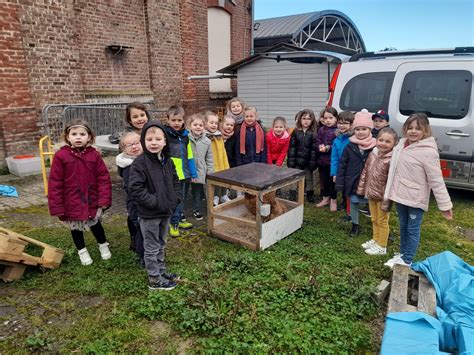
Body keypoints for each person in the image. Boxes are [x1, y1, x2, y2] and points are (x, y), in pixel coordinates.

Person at [383, 113, 453, 267]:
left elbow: (436, 180)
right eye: (410, 128)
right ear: (405, 129)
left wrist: (445, 205)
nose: (413, 131)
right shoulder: (401, 145)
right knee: (403, 225)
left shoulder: (428, 151)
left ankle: (407, 260)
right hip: (400, 195)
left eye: (418, 129)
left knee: (412, 229)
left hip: (415, 198)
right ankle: (402, 254)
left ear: (425, 131)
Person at [48, 119, 112, 266]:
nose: (78, 137)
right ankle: (82, 251)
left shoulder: (94, 155)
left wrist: (104, 200)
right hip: (72, 201)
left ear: (89, 137)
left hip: (91, 199)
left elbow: (103, 178)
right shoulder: (61, 156)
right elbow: (55, 183)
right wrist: (57, 207)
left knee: (95, 224)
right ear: (67, 137)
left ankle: (103, 245)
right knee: (76, 228)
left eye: (82, 134)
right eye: (74, 134)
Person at [128, 121, 181, 291]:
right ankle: (154, 279)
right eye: (149, 139)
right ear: (143, 141)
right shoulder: (139, 163)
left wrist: (175, 199)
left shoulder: (167, 161)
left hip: (166, 211)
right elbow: (135, 189)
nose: (154, 142)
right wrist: (155, 202)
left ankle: (161, 270)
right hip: (150, 214)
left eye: (158, 138)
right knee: (151, 246)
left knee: (161, 242)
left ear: (165, 141)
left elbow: (175, 181)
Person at [357, 127, 398, 255]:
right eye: (381, 140)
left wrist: (388, 196)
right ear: (376, 140)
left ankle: (382, 245)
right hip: (371, 193)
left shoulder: (392, 158)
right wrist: (362, 188)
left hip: (383, 196)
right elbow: (365, 171)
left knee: (382, 220)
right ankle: (375, 239)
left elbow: (393, 179)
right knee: (374, 218)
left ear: (394, 144)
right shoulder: (373, 153)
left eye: (387, 141)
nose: (383, 144)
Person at [335, 109, 376, 236]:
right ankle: (355, 224)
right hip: (353, 181)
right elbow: (342, 165)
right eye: (358, 129)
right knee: (353, 202)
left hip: (370, 182)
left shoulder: (376, 146)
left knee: (372, 205)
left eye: (364, 129)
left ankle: (378, 226)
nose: (361, 132)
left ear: (370, 130)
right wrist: (340, 183)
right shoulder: (350, 146)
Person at [164, 105, 197, 237]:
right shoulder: (165, 135)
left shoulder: (185, 136)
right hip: (173, 175)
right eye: (173, 120)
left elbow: (190, 156)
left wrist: (193, 173)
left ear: (183, 120)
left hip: (185, 173)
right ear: (168, 120)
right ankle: (173, 223)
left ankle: (181, 218)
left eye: (179, 120)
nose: (176, 123)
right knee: (175, 199)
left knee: (182, 198)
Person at [116, 132, 144, 264]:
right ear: (123, 149)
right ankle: (142, 256)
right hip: (137, 206)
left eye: (137, 143)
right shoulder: (129, 166)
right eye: (129, 145)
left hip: (145, 203)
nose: (134, 146)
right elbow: (133, 190)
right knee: (141, 231)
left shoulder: (143, 160)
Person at [287, 109, 318, 202]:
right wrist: (291, 161)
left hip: (308, 161)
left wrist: (312, 163)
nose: (306, 120)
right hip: (296, 160)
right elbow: (292, 148)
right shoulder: (296, 132)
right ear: (300, 119)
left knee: (308, 178)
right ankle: (292, 193)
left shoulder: (314, 133)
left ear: (312, 120)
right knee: (294, 177)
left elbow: (314, 150)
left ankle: (310, 194)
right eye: (304, 118)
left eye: (309, 119)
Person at [188, 113, 214, 220]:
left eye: (200, 125)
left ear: (204, 127)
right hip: (187, 169)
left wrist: (210, 171)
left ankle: (196, 209)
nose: (198, 127)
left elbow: (210, 157)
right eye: (195, 125)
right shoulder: (186, 139)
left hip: (200, 170)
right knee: (184, 192)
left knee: (197, 191)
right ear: (190, 126)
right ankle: (180, 212)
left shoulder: (207, 141)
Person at [330, 111, 354, 219]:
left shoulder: (353, 139)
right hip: (340, 168)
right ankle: (344, 202)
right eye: (340, 123)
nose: (342, 126)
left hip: (350, 168)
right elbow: (334, 157)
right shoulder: (336, 140)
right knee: (341, 186)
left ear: (351, 125)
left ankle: (350, 206)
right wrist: (334, 172)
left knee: (349, 187)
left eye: (345, 123)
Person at [314, 107, 338, 210]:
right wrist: (319, 147)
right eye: (325, 118)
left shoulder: (338, 131)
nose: (328, 120)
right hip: (322, 160)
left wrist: (328, 148)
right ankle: (325, 198)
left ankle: (333, 200)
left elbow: (337, 146)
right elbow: (317, 141)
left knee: (332, 182)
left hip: (332, 162)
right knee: (324, 181)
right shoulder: (321, 129)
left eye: (330, 118)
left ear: (336, 118)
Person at [205, 111, 230, 205]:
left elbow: (223, 151)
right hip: (212, 164)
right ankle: (215, 197)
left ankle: (223, 196)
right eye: (211, 123)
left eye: (216, 123)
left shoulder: (219, 135)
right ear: (205, 123)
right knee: (214, 183)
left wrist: (226, 164)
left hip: (221, 162)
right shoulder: (205, 137)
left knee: (223, 180)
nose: (214, 125)